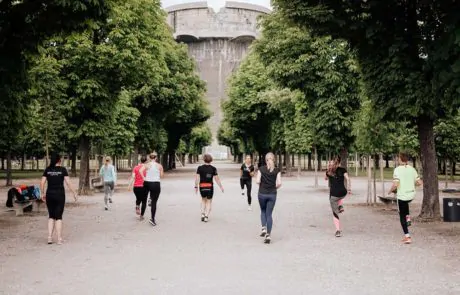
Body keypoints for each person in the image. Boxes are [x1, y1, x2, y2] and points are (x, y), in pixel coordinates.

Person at [40, 154, 77, 245]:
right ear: (59, 160)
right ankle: (59, 239)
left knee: (51, 216)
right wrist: (74, 193)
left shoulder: (47, 170)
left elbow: (42, 182)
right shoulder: (62, 170)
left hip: (50, 195)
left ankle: (49, 238)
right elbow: (68, 183)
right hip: (60, 195)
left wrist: (42, 193)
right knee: (59, 217)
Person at [388, 152, 422, 244]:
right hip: (411, 195)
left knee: (401, 215)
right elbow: (419, 183)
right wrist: (411, 186)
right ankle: (408, 220)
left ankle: (407, 236)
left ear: (400, 159)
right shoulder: (412, 169)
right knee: (405, 208)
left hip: (402, 196)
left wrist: (390, 191)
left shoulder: (397, 170)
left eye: (398, 158)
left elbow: (395, 184)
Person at [256, 152, 282, 244]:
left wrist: (262, 186)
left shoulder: (261, 169)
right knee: (269, 214)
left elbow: (257, 181)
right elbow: (279, 183)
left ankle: (263, 228)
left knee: (263, 211)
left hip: (262, 194)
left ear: (265, 159)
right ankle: (268, 235)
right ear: (274, 159)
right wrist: (274, 188)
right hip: (272, 194)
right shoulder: (277, 170)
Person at [326, 156, 351, 238]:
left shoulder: (329, 171)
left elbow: (325, 179)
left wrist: (328, 169)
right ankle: (340, 206)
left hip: (333, 195)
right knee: (340, 196)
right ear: (340, 162)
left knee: (335, 213)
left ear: (332, 162)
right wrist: (349, 189)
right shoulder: (343, 170)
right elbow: (348, 179)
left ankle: (337, 230)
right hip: (343, 192)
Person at [195, 154, 224, 223]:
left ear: (204, 159)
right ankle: (206, 216)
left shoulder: (199, 168)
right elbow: (217, 179)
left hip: (202, 186)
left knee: (203, 200)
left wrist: (196, 186)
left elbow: (197, 178)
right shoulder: (213, 169)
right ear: (211, 160)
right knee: (209, 201)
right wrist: (221, 187)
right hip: (210, 187)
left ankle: (202, 214)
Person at [140, 153, 164, 227]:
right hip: (156, 183)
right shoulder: (159, 166)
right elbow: (161, 176)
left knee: (144, 199)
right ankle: (152, 219)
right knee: (154, 202)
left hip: (147, 183)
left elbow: (140, 171)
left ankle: (142, 214)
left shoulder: (147, 165)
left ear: (149, 158)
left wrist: (144, 178)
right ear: (156, 158)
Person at [128, 155, 148, 220]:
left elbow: (133, 177)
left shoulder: (136, 167)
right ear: (146, 161)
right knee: (144, 201)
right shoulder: (147, 168)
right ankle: (141, 216)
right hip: (144, 187)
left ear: (140, 160)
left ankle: (137, 206)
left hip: (136, 187)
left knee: (138, 198)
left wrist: (129, 185)